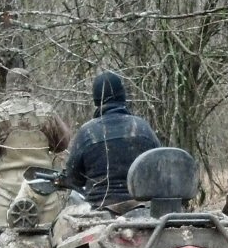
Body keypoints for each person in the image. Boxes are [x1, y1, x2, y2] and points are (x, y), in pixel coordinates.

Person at [0, 67, 72, 227]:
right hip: (44, 191)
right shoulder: (47, 112)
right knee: (49, 243)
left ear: (8, 86)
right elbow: (62, 143)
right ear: (30, 85)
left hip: (7, 195)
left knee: (2, 244)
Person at [64, 71, 161, 209]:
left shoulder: (87, 133)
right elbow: (159, 168)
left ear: (96, 99)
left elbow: (74, 179)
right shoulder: (142, 128)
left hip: (99, 208)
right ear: (123, 96)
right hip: (142, 207)